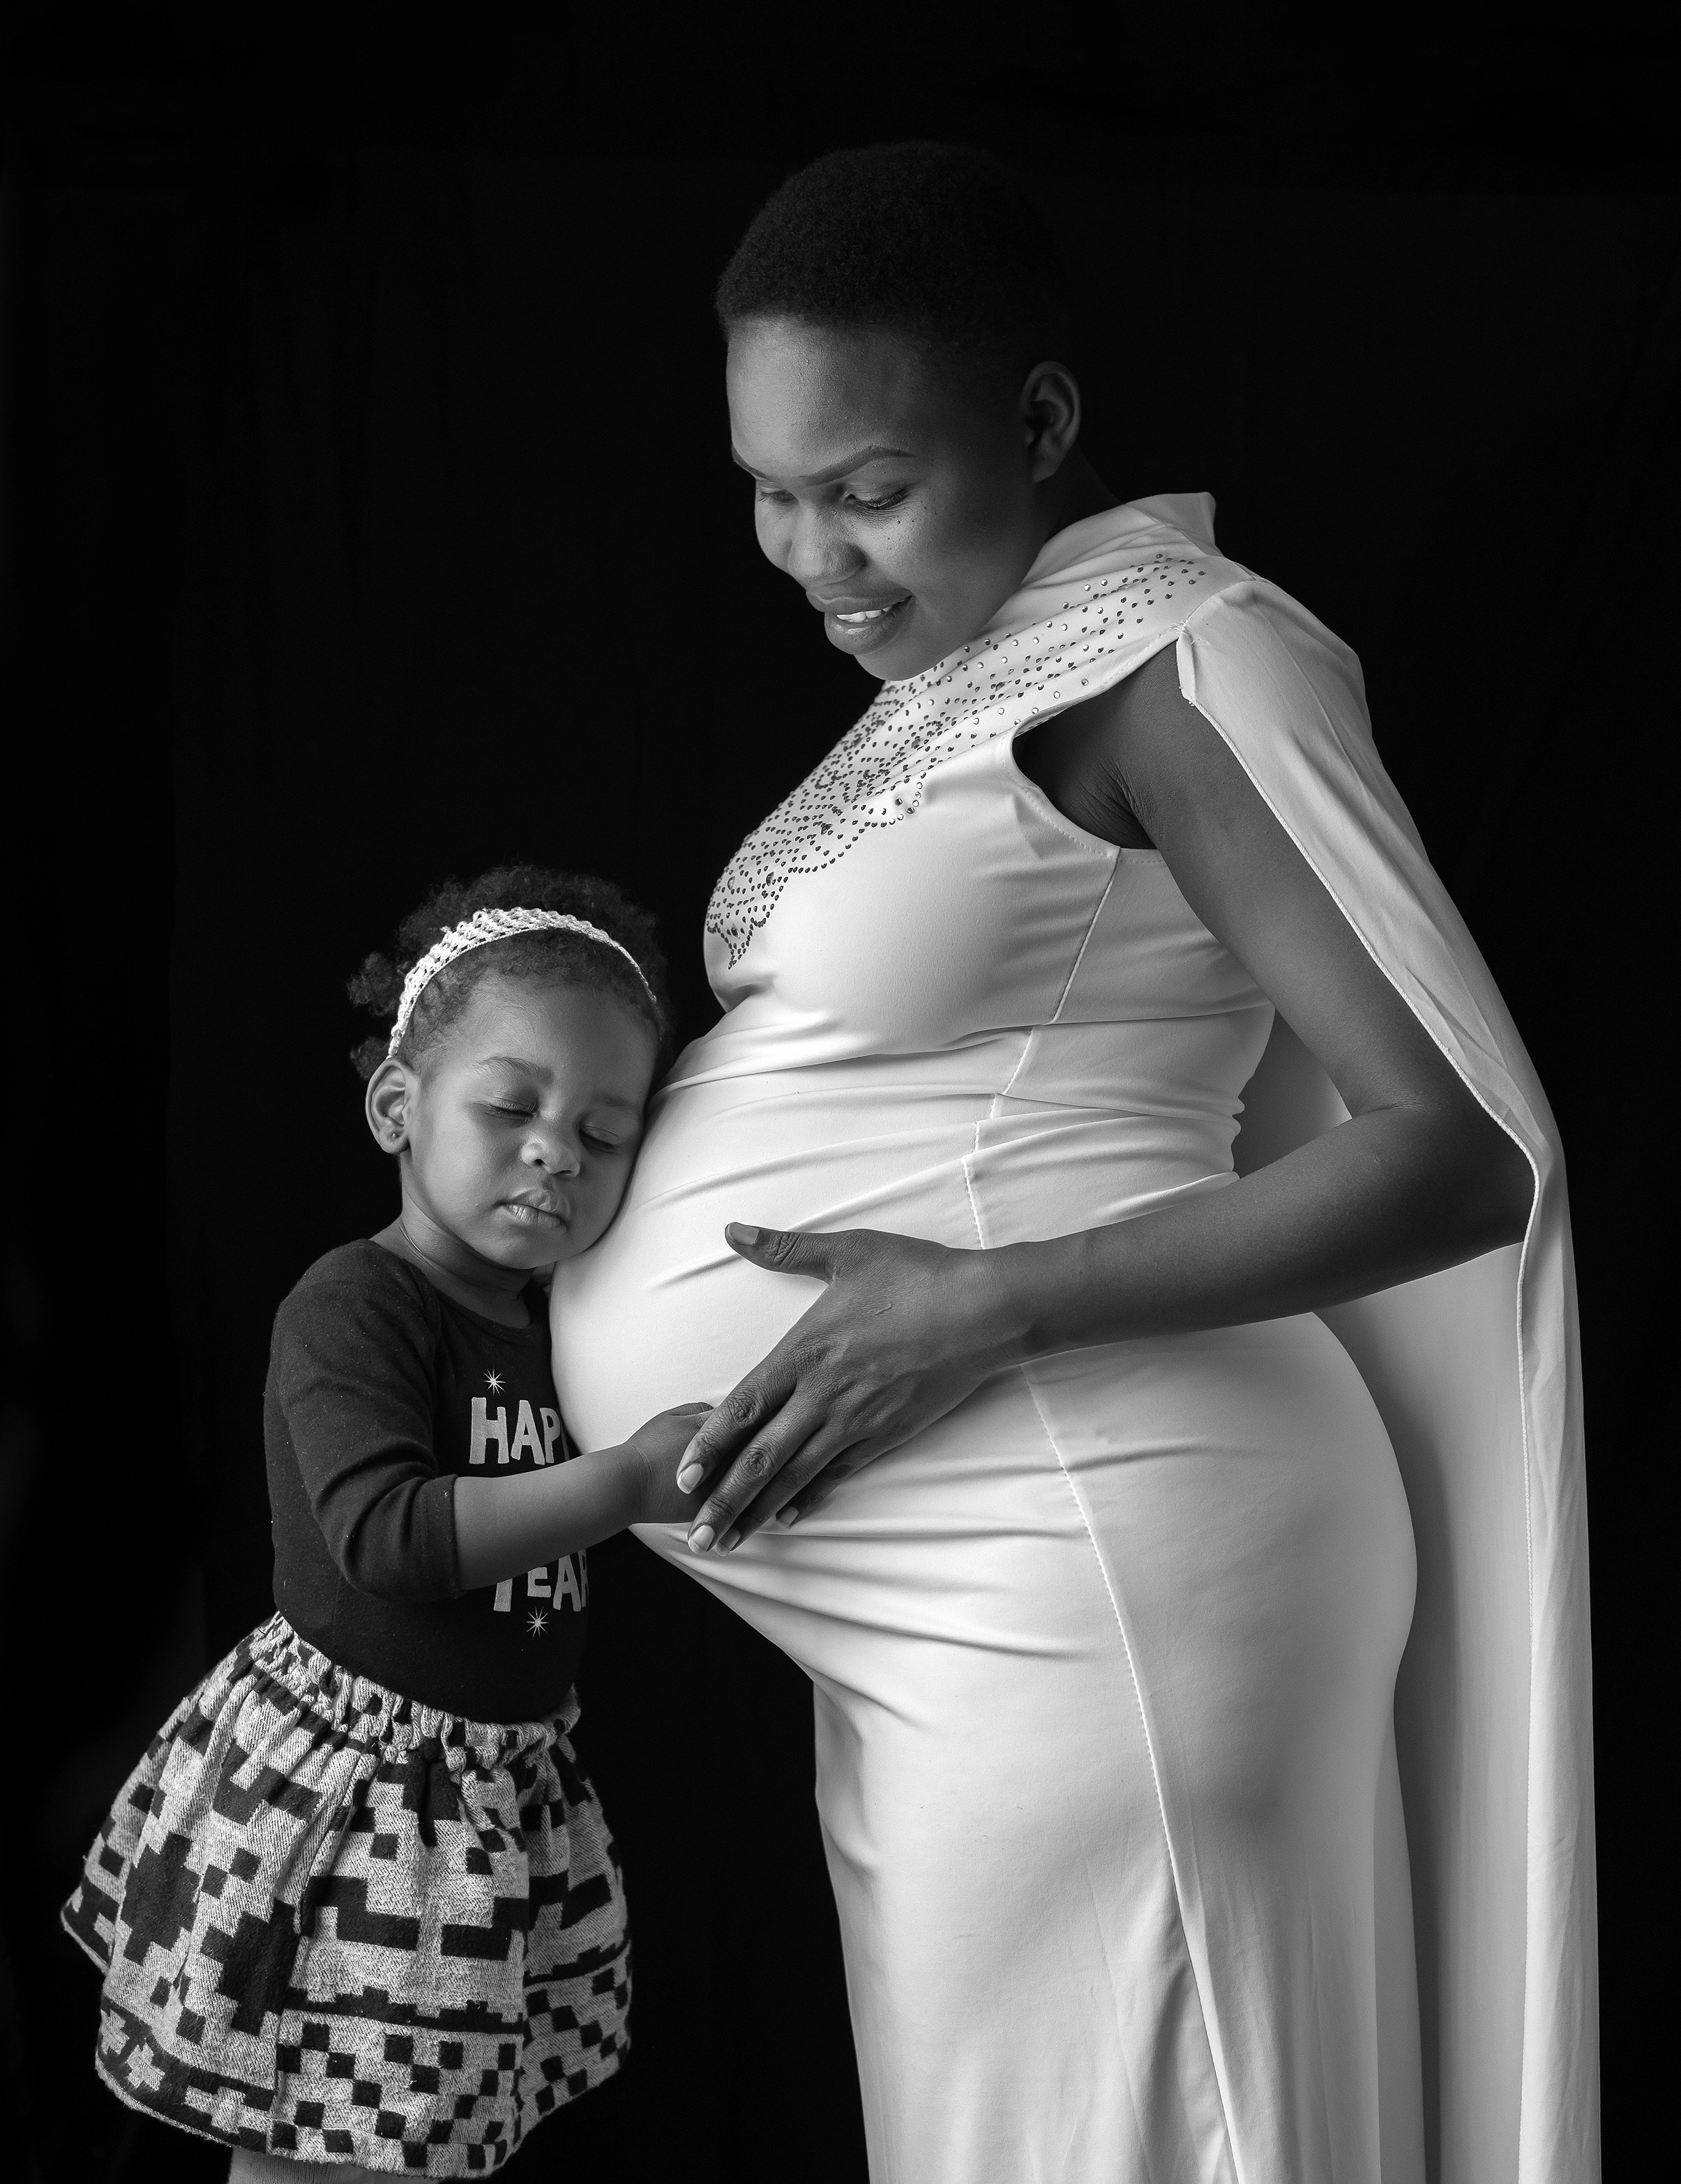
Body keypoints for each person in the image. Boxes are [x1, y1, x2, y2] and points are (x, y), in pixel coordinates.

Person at [552, 146, 1598, 2181]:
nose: (810, 554)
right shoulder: (977, 669)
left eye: (868, 487)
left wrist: (977, 1300)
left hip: (1101, 1556)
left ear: (1036, 421)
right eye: (770, 488)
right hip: (978, 1598)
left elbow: (1459, 1155)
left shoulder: (1186, 658)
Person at [62, 866, 707, 2180]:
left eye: (603, 1132)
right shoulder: (358, 1302)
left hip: (483, 1799)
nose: (553, 1151)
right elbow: (391, 1540)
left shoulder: (561, 1328)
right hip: (356, 1799)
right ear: (397, 1108)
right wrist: (632, 1481)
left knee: (412, 2150)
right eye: (512, 1106)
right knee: (312, 2149)